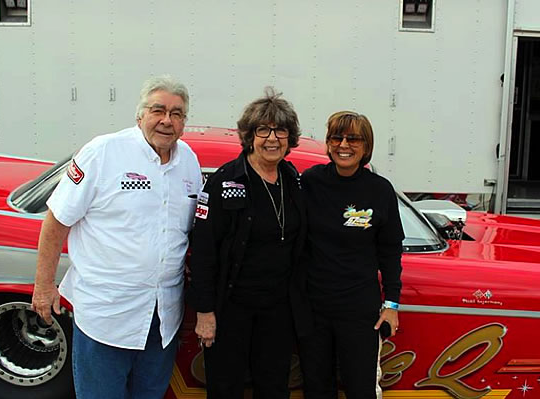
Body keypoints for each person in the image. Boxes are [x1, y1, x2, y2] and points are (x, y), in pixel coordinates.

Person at [31, 75, 202, 399]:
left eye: (177, 114)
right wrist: (43, 286)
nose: (167, 120)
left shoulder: (189, 163)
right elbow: (57, 221)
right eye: (158, 110)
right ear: (140, 116)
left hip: (162, 320)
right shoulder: (104, 152)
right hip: (106, 318)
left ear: (183, 123)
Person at [187, 88, 310, 399]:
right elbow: (202, 251)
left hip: (279, 311)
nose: (272, 138)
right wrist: (204, 312)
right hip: (230, 309)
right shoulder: (225, 182)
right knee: (225, 388)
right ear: (249, 136)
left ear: (290, 137)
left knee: (274, 388)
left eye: (280, 130)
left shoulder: (294, 181)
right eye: (263, 130)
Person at [298, 111, 404, 399]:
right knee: (317, 389)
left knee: (361, 389)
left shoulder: (380, 190)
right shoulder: (309, 182)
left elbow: (391, 250)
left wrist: (392, 304)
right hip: (314, 309)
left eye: (353, 138)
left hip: (360, 312)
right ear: (329, 143)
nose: (343, 144)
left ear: (366, 145)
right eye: (336, 137)